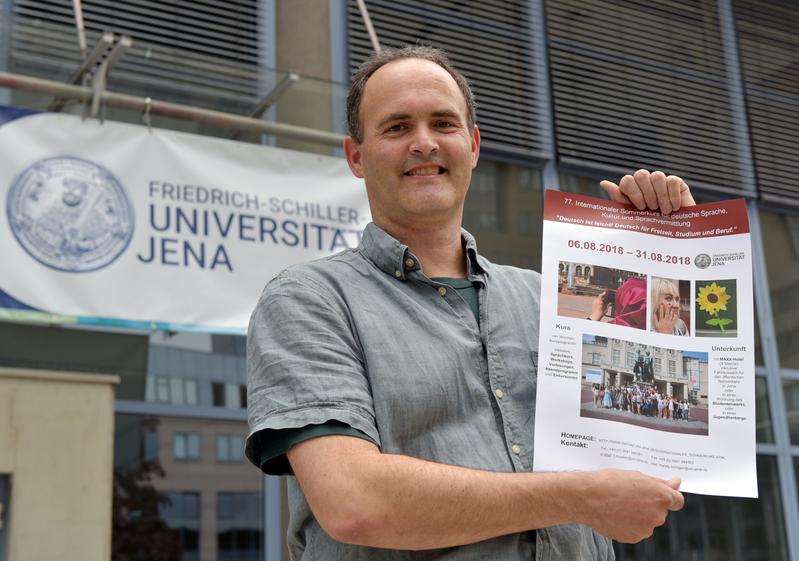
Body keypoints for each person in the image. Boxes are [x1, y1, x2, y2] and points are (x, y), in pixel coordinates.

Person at [246, 46, 693, 561]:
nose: (423, 143)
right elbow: (354, 501)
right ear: (356, 156)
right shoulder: (310, 299)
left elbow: (648, 437)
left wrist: (663, 250)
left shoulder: (548, 298)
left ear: (474, 145)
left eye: (443, 123)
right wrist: (578, 497)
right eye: (395, 128)